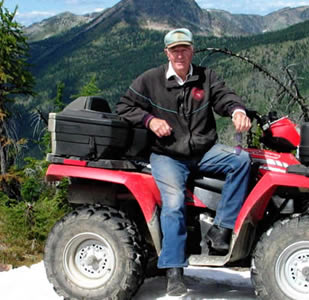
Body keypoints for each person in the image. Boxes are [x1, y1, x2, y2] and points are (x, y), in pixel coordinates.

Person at [116, 28, 251, 296]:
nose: (180, 53)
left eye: (185, 48)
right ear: (166, 53)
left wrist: (237, 110)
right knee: (174, 202)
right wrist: (150, 121)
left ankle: (222, 229)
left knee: (242, 160)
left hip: (203, 151)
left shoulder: (205, 77)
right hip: (167, 155)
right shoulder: (151, 80)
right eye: (174, 49)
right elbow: (124, 106)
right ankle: (174, 270)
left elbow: (225, 97)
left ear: (192, 51)